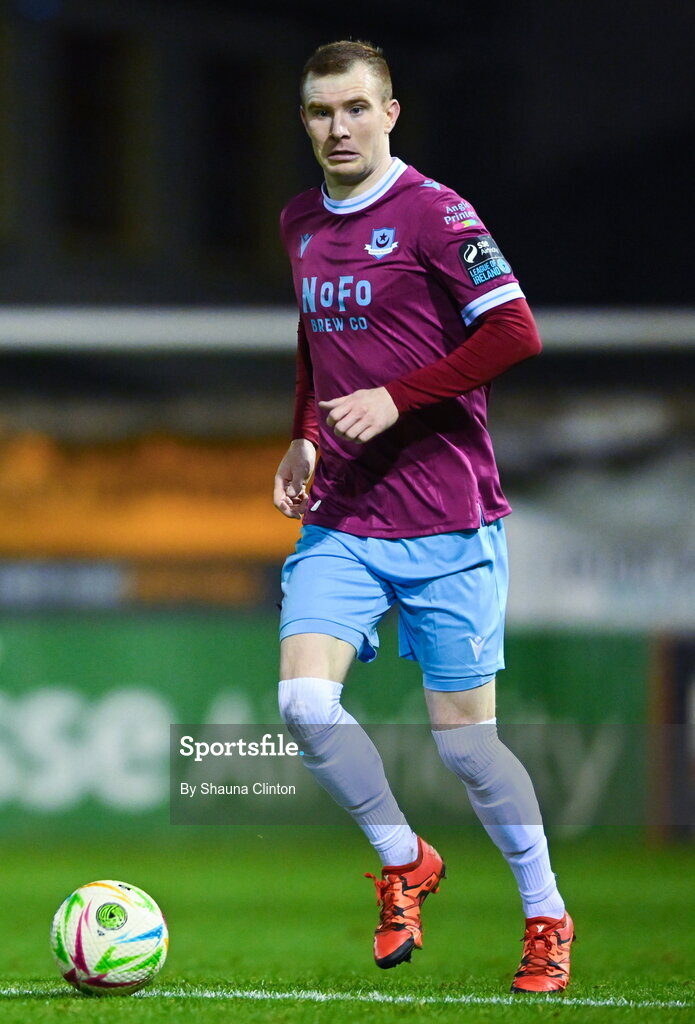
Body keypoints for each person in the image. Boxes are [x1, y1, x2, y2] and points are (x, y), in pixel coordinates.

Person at [273, 40, 573, 993]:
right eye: (321, 112)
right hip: (346, 517)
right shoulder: (299, 222)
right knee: (302, 704)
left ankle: (544, 918)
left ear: (390, 113)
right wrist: (303, 436)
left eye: (355, 109)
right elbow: (314, 343)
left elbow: (516, 330)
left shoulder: (437, 213)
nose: (338, 128)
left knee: (469, 750)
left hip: (447, 518)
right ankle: (403, 858)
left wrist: (398, 398)